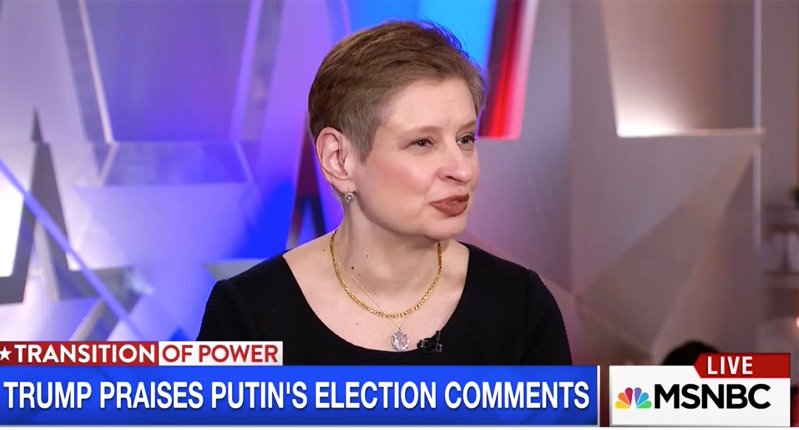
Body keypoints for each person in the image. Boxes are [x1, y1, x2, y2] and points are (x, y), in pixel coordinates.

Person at [197, 21, 571, 365]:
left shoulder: (521, 307)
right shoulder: (245, 313)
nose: (462, 170)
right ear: (339, 159)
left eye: (465, 139)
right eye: (423, 142)